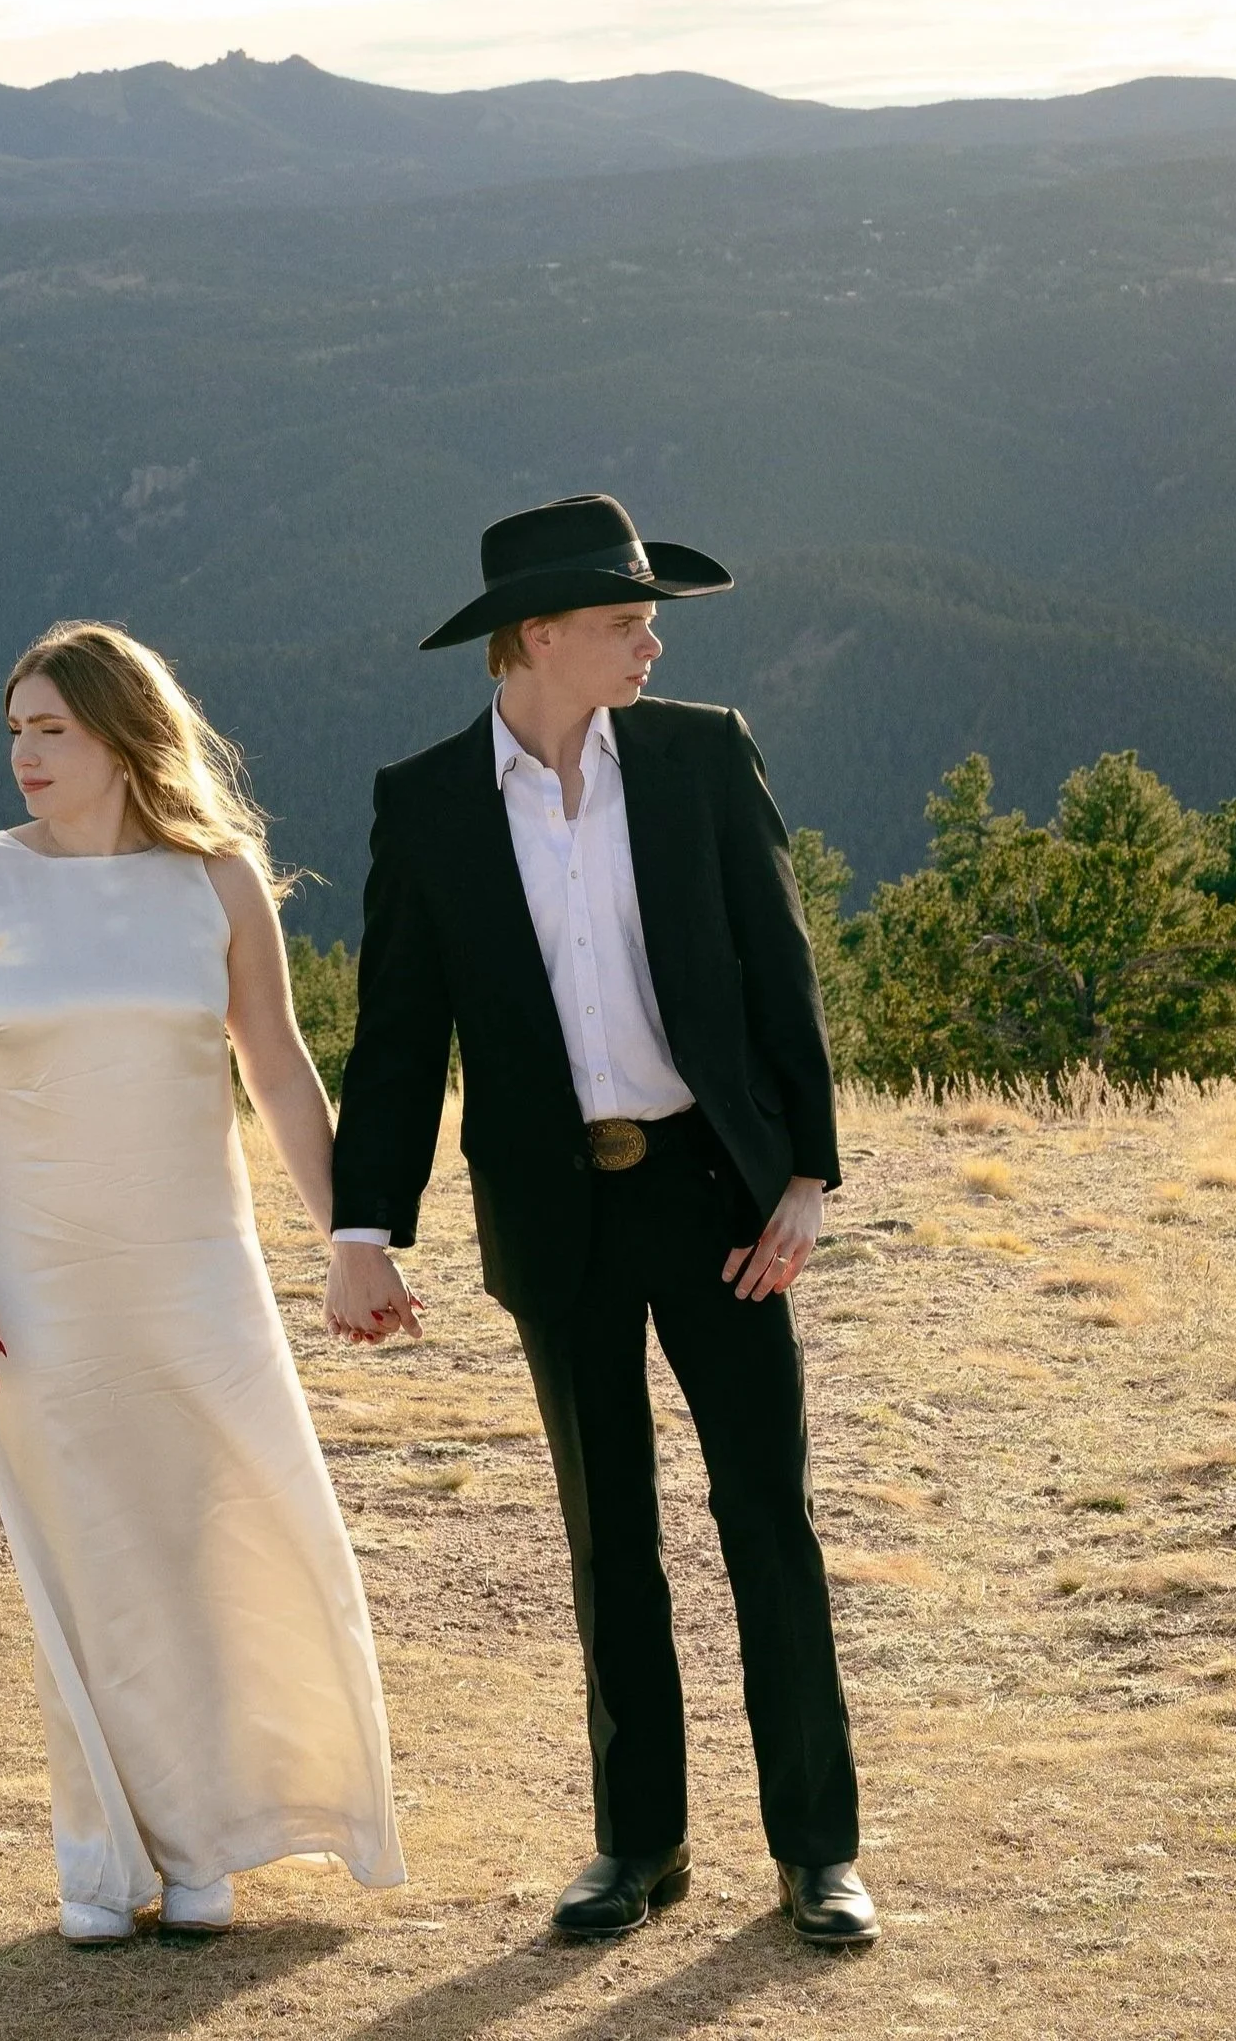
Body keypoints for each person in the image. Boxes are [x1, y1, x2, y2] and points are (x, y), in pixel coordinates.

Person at [325, 494, 875, 1947]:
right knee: (604, 1534)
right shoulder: (427, 800)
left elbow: (780, 967)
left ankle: (819, 1850)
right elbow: (397, 1038)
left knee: (768, 1516)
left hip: (716, 1202)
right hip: (554, 1220)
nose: (650, 640)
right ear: (539, 636)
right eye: (626, 620)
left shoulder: (702, 758)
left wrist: (804, 1179)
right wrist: (361, 1230)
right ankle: (640, 1846)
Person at [0, 621, 405, 1947]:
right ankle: (98, 1855)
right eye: (13, 728)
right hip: (36, 1275)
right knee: (82, 1551)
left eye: (50, 729)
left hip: (197, 1270)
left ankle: (205, 1844)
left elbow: (281, 1070)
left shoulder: (218, 883)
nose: (24, 753)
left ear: (125, 733)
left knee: (214, 1539)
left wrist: (353, 1237)